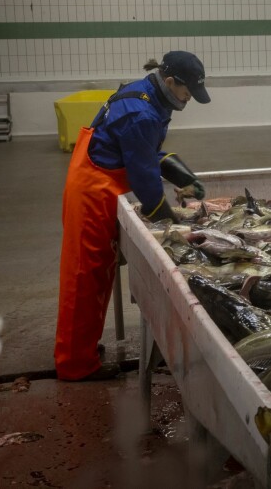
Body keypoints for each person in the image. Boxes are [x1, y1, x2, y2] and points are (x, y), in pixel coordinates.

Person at [55, 51, 210, 381]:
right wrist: (174, 226)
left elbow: (145, 150)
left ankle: (82, 346)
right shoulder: (142, 112)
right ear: (171, 82)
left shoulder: (147, 93)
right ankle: (75, 365)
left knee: (99, 276)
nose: (188, 100)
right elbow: (146, 182)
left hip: (102, 179)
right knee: (85, 277)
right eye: (187, 93)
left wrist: (184, 176)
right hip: (92, 192)